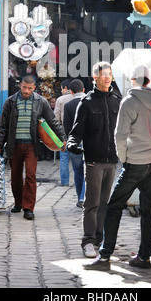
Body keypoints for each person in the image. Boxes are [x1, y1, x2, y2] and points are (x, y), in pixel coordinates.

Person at [84, 63, 151, 271]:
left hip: (134, 163)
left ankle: (105, 256)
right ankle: (144, 257)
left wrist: (124, 159)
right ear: (149, 81)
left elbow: (120, 135)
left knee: (114, 206)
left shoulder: (129, 102)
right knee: (148, 209)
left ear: (133, 81)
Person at [0, 75, 66, 220]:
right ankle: (18, 203)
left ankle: (28, 208)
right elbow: (4, 127)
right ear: (21, 85)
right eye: (24, 87)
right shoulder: (10, 101)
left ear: (34, 88)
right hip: (14, 145)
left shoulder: (41, 102)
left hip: (32, 145)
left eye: (29, 88)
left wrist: (62, 138)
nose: (26, 91)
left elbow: (52, 121)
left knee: (31, 175)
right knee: (15, 176)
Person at [67, 61, 121, 258]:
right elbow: (76, 132)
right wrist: (72, 144)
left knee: (105, 203)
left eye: (109, 73)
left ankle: (100, 239)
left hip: (112, 161)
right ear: (94, 78)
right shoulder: (87, 102)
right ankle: (88, 241)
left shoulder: (117, 100)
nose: (106, 77)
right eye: (102, 74)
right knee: (92, 203)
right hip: (93, 161)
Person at [63, 79, 86, 207]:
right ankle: (83, 197)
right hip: (89, 143)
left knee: (78, 172)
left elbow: (67, 127)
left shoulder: (69, 106)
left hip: (75, 143)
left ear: (71, 92)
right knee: (87, 171)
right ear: (83, 90)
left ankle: (80, 197)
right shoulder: (90, 102)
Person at [54, 79, 74, 185]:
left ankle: (65, 181)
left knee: (64, 157)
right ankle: (79, 180)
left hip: (64, 132)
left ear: (65, 88)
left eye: (61, 89)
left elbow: (56, 118)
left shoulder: (60, 100)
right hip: (77, 132)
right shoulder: (80, 98)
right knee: (78, 157)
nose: (61, 91)